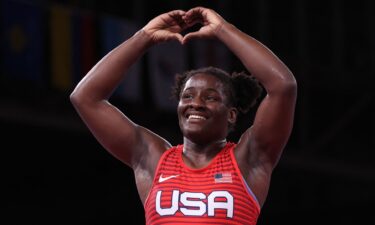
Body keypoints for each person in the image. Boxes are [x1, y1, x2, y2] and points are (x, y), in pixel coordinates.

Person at [70, 7, 297, 225]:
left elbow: (283, 86)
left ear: (231, 115)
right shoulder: (153, 158)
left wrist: (222, 29)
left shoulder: (250, 159)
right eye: (188, 96)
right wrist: (144, 36)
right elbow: (86, 97)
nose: (196, 104)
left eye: (210, 97)